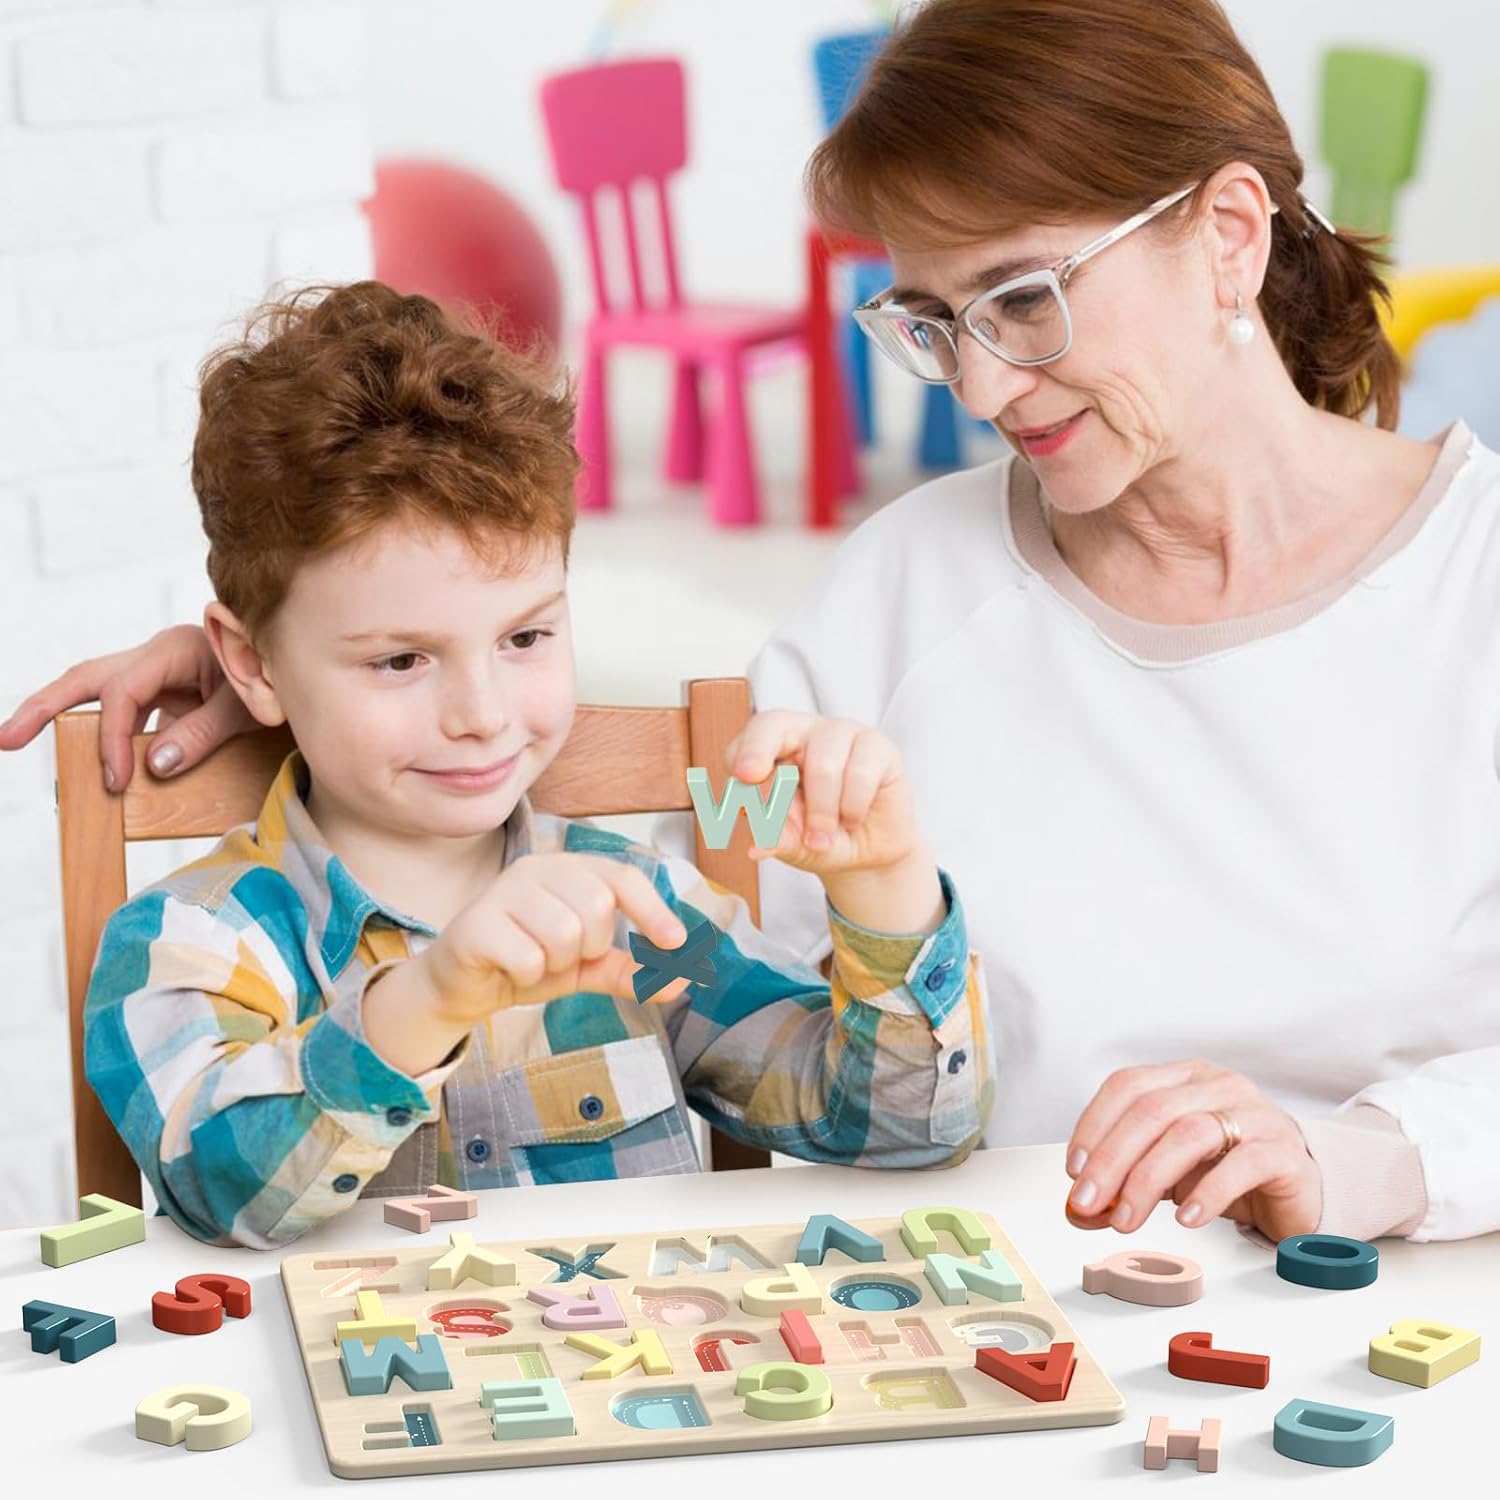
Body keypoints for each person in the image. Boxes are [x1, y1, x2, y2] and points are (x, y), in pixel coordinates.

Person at [6, 0, 1497, 1245]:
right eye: (929, 320)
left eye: (1022, 301)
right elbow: (689, 824)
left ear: (1230, 234)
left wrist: (1368, 1160)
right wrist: (293, 666)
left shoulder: (1468, 582)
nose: (972, 391)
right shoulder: (905, 583)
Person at [43, 281, 991, 1250]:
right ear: (250, 663)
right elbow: (224, 1189)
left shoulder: (643, 914)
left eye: (527, 636)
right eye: (401, 660)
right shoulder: (195, 940)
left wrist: (885, 892)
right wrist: (428, 999)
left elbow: (905, 1132)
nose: (484, 715)